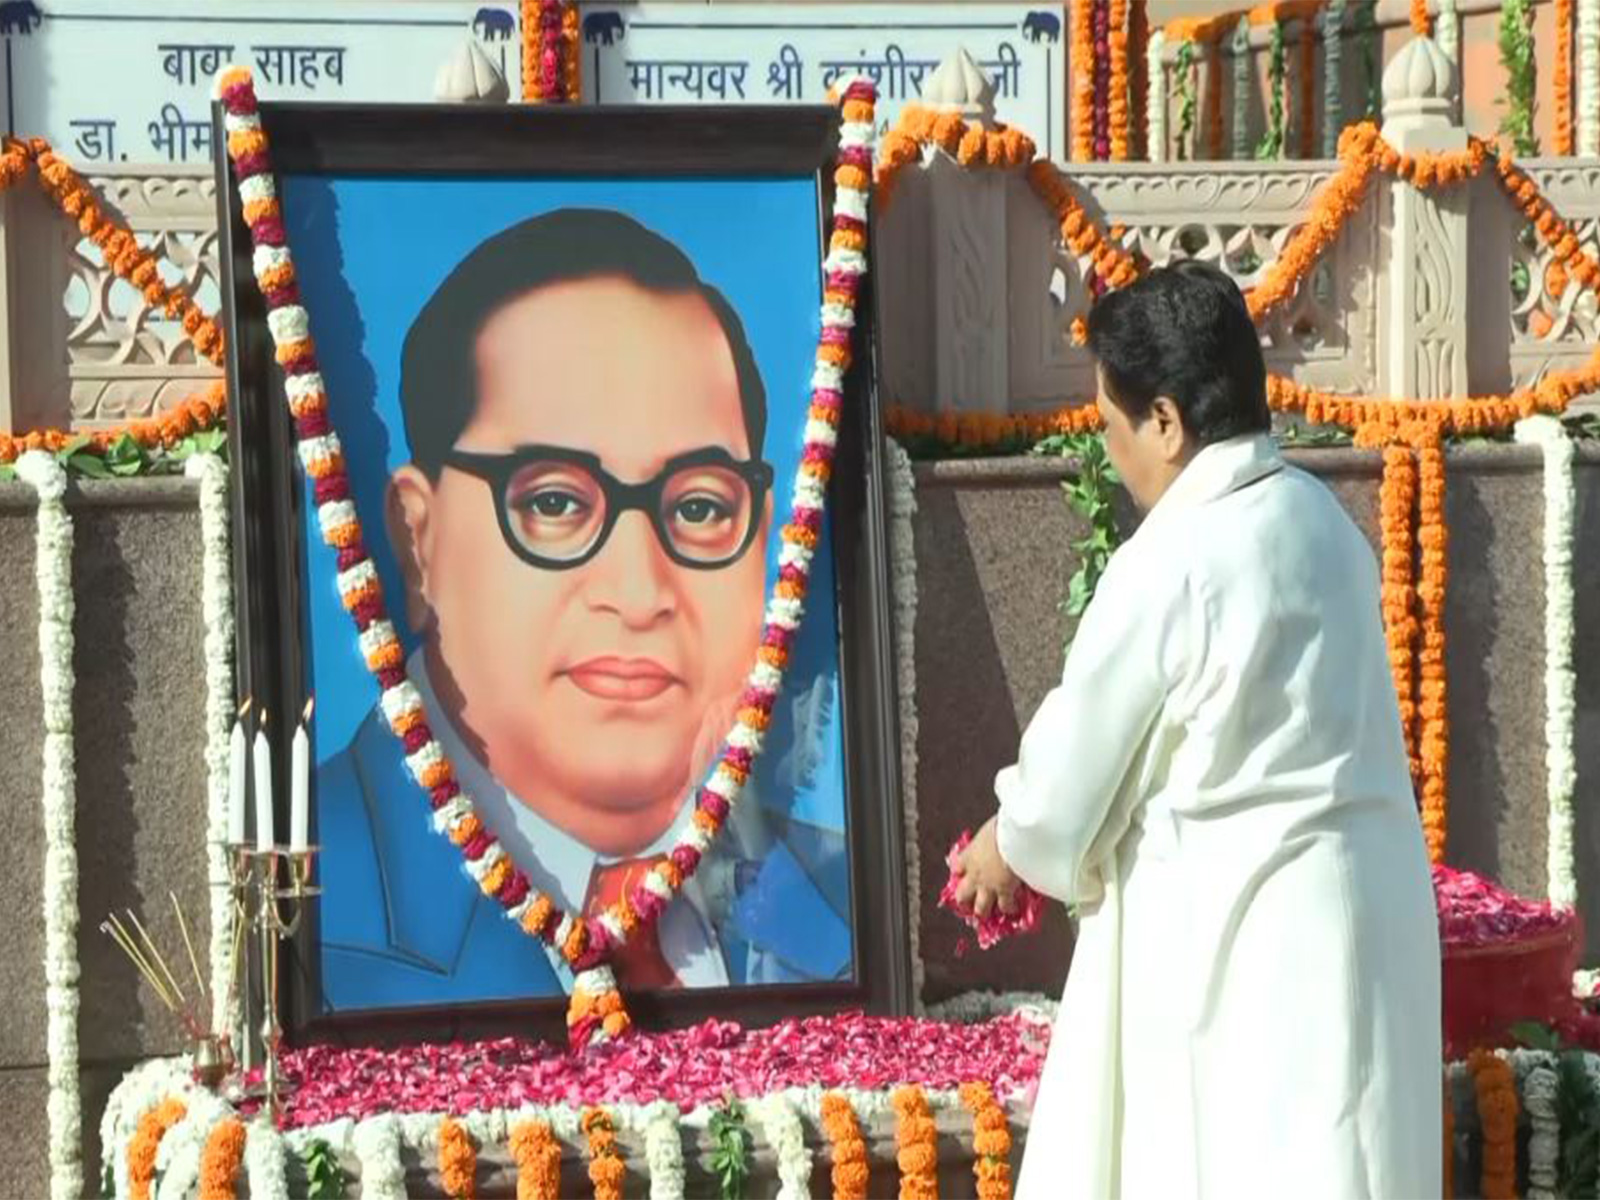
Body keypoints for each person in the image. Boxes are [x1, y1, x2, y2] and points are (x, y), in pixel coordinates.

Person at [954, 261, 1441, 1198]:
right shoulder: (1324, 522)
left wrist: (1002, 845)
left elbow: (1067, 786)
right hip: (1368, 923)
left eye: (1110, 426)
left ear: (1167, 423)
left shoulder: (1175, 557)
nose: (1109, 453)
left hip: (1250, 947)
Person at [317, 208, 853, 1011]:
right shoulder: (316, 905)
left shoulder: (835, 895)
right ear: (417, 541)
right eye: (557, 501)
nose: (639, 594)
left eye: (702, 509)